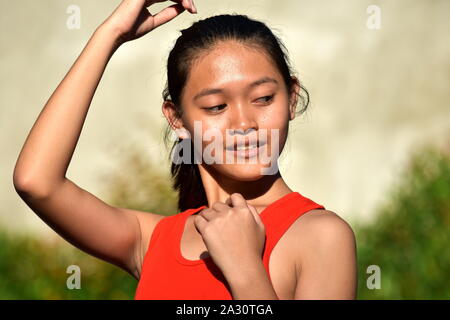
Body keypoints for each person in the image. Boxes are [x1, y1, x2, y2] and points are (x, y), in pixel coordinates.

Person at [13, 0, 357, 300]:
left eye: (264, 98)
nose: (244, 123)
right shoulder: (153, 241)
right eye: (216, 106)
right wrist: (111, 34)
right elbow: (36, 182)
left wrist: (245, 269)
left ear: (292, 98)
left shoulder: (321, 237)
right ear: (177, 119)